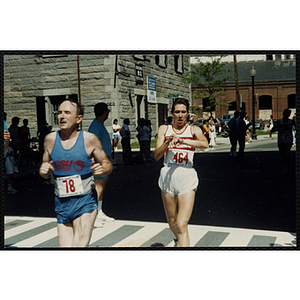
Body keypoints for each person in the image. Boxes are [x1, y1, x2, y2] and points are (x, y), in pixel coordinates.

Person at [39, 99, 113, 247]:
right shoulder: (50, 140)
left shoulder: (89, 139)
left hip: (84, 202)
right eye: (59, 112)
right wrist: (43, 171)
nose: (61, 116)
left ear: (79, 118)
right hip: (61, 203)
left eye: (67, 112)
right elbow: (44, 168)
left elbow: (107, 164)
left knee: (78, 247)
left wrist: (103, 168)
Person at [154, 98, 209, 247]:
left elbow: (204, 144)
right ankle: (179, 240)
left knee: (181, 224)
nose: (180, 115)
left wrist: (183, 141)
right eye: (177, 112)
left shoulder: (193, 130)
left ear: (187, 114)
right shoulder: (164, 130)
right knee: (172, 222)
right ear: (172, 113)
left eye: (183, 112)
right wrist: (167, 142)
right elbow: (157, 155)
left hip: (187, 177)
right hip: (168, 177)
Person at [88, 103, 115, 227]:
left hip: (103, 160)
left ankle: (100, 211)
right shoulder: (95, 126)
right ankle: (94, 215)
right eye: (107, 112)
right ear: (104, 112)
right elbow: (91, 144)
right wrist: (93, 160)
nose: (108, 114)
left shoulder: (98, 125)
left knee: (101, 187)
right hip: (98, 161)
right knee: (98, 187)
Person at [271, 108, 295, 174]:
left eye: (288, 114)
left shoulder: (291, 122)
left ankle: (286, 167)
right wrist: (279, 129)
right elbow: (272, 130)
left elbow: (296, 128)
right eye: (285, 114)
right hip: (281, 140)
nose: (286, 115)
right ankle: (284, 166)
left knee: (287, 153)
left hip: (288, 139)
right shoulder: (279, 122)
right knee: (282, 154)